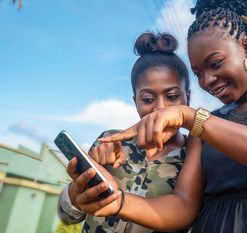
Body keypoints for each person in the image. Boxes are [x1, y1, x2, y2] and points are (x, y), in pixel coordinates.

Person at [70, 0, 247, 232]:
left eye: (215, 64)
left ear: (246, 47)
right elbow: (183, 205)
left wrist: (190, 117)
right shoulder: (205, 128)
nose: (208, 80)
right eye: (198, 73)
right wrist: (120, 202)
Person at [57, 32, 190, 233]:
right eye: (147, 99)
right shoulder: (108, 143)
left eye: (172, 96)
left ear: (187, 98)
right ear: (135, 101)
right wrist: (76, 194)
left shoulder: (196, 159)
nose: (160, 109)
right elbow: (67, 218)